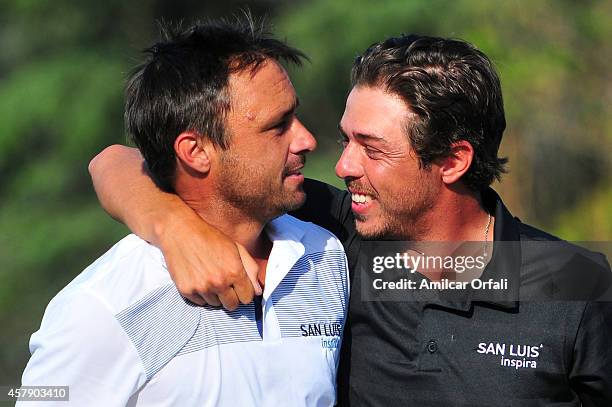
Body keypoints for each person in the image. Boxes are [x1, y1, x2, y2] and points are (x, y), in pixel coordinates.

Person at [89, 34, 612, 406]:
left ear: (453, 161)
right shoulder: (338, 238)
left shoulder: (578, 284)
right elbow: (114, 161)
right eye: (347, 139)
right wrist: (172, 227)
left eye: (372, 148)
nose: (342, 167)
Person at [20, 18, 350, 407]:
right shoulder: (105, 308)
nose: (307, 139)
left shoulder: (325, 255)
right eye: (277, 126)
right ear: (195, 152)